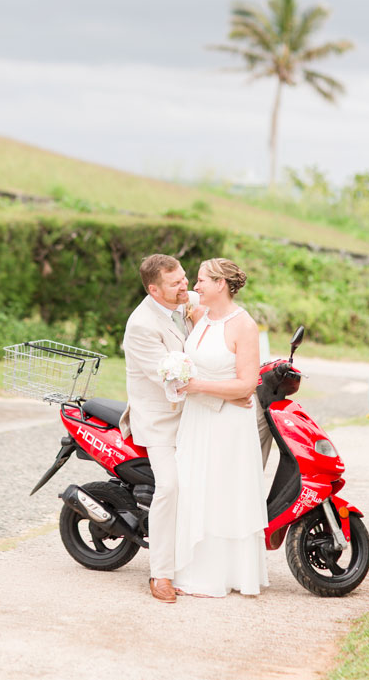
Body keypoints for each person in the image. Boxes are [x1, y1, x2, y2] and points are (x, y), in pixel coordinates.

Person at [118, 254, 226, 604]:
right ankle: (160, 572)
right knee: (171, 486)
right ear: (154, 289)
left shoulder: (186, 301)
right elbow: (171, 378)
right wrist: (219, 386)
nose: (186, 286)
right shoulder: (140, 326)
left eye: (185, 278)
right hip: (162, 418)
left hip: (195, 412)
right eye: (176, 282)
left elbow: (223, 314)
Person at [172, 258, 269, 598]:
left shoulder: (244, 326)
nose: (195, 287)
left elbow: (246, 385)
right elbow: (165, 298)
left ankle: (221, 574)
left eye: (201, 280)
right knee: (192, 486)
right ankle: (190, 568)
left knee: (221, 491)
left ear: (221, 284)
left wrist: (197, 386)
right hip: (196, 419)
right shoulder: (199, 313)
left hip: (227, 423)